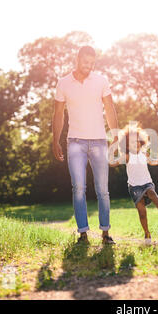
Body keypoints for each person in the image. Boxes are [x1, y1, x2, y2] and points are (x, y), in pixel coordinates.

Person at [52, 45, 119, 245]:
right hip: (75, 143)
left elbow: (110, 107)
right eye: (85, 62)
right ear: (78, 59)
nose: (88, 66)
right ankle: (83, 233)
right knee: (78, 188)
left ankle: (105, 233)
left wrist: (115, 136)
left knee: (103, 189)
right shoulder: (63, 83)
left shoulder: (101, 81)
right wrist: (55, 140)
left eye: (92, 63)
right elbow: (58, 114)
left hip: (99, 141)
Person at [109, 123, 158, 245]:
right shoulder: (127, 156)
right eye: (131, 142)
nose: (135, 144)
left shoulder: (144, 153)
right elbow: (113, 163)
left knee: (151, 192)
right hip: (134, 187)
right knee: (142, 212)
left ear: (141, 142)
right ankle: (147, 232)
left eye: (137, 141)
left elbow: (151, 162)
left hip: (146, 183)